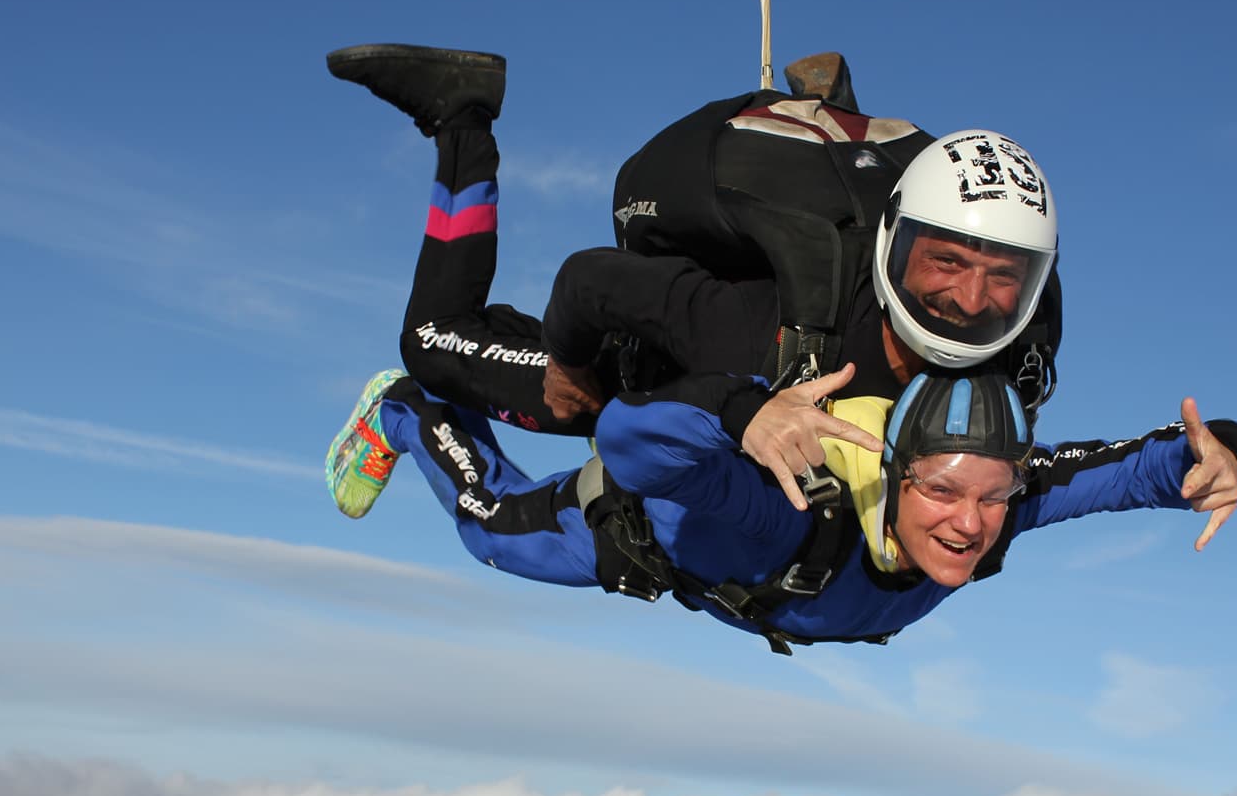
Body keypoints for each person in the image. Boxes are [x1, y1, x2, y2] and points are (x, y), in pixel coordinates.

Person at [326, 44, 1063, 480]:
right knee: (432, 339)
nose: (970, 300)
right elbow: (589, 280)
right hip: (632, 365)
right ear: (895, 244)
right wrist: (574, 371)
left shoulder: (1010, 367)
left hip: (716, 361)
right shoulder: (765, 330)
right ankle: (462, 115)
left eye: (1003, 276)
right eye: (946, 262)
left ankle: (827, 118)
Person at [326, 358, 1237, 652]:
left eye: (993, 495)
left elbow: (1152, 464)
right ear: (893, 475)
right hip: (637, 531)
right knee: (485, 527)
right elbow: (628, 442)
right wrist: (747, 411)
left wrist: (1228, 459)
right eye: (940, 490)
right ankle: (406, 408)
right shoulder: (794, 511)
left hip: (736, 567)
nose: (970, 523)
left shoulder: (1004, 504)